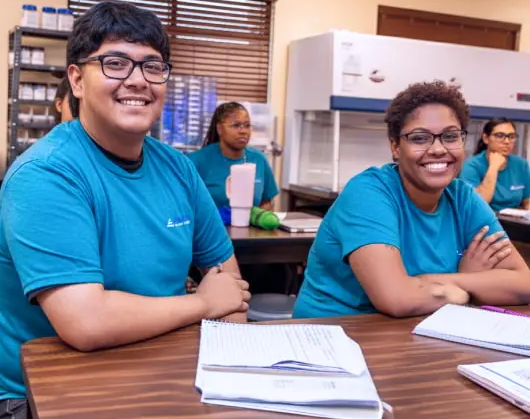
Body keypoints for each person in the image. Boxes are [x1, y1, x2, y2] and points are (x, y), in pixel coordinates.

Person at [0, 1, 250, 419]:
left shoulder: (178, 168)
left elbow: (229, 285)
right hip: (43, 393)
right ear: (76, 79)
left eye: (153, 66)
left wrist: (232, 373)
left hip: (158, 368)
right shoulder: (46, 174)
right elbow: (86, 322)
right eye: (115, 63)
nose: (137, 80)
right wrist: (203, 304)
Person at [293, 81, 530, 319]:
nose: (438, 149)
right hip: (334, 336)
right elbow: (397, 298)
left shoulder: (464, 198)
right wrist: (469, 290)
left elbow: (524, 284)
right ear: (395, 147)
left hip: (419, 333)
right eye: (419, 138)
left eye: (450, 136)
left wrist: (447, 280)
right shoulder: (369, 192)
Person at [188, 102, 279, 211]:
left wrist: (258, 218)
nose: (243, 131)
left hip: (250, 227)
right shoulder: (195, 161)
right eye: (236, 125)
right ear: (220, 129)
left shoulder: (259, 159)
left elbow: (266, 202)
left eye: (247, 125)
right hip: (211, 227)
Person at [459, 118, 530, 211]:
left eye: (511, 136)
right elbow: (478, 204)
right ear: (486, 138)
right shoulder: (471, 166)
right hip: (483, 222)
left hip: (514, 222)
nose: (507, 141)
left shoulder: (521, 164)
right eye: (500, 136)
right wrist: (493, 168)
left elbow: (527, 201)